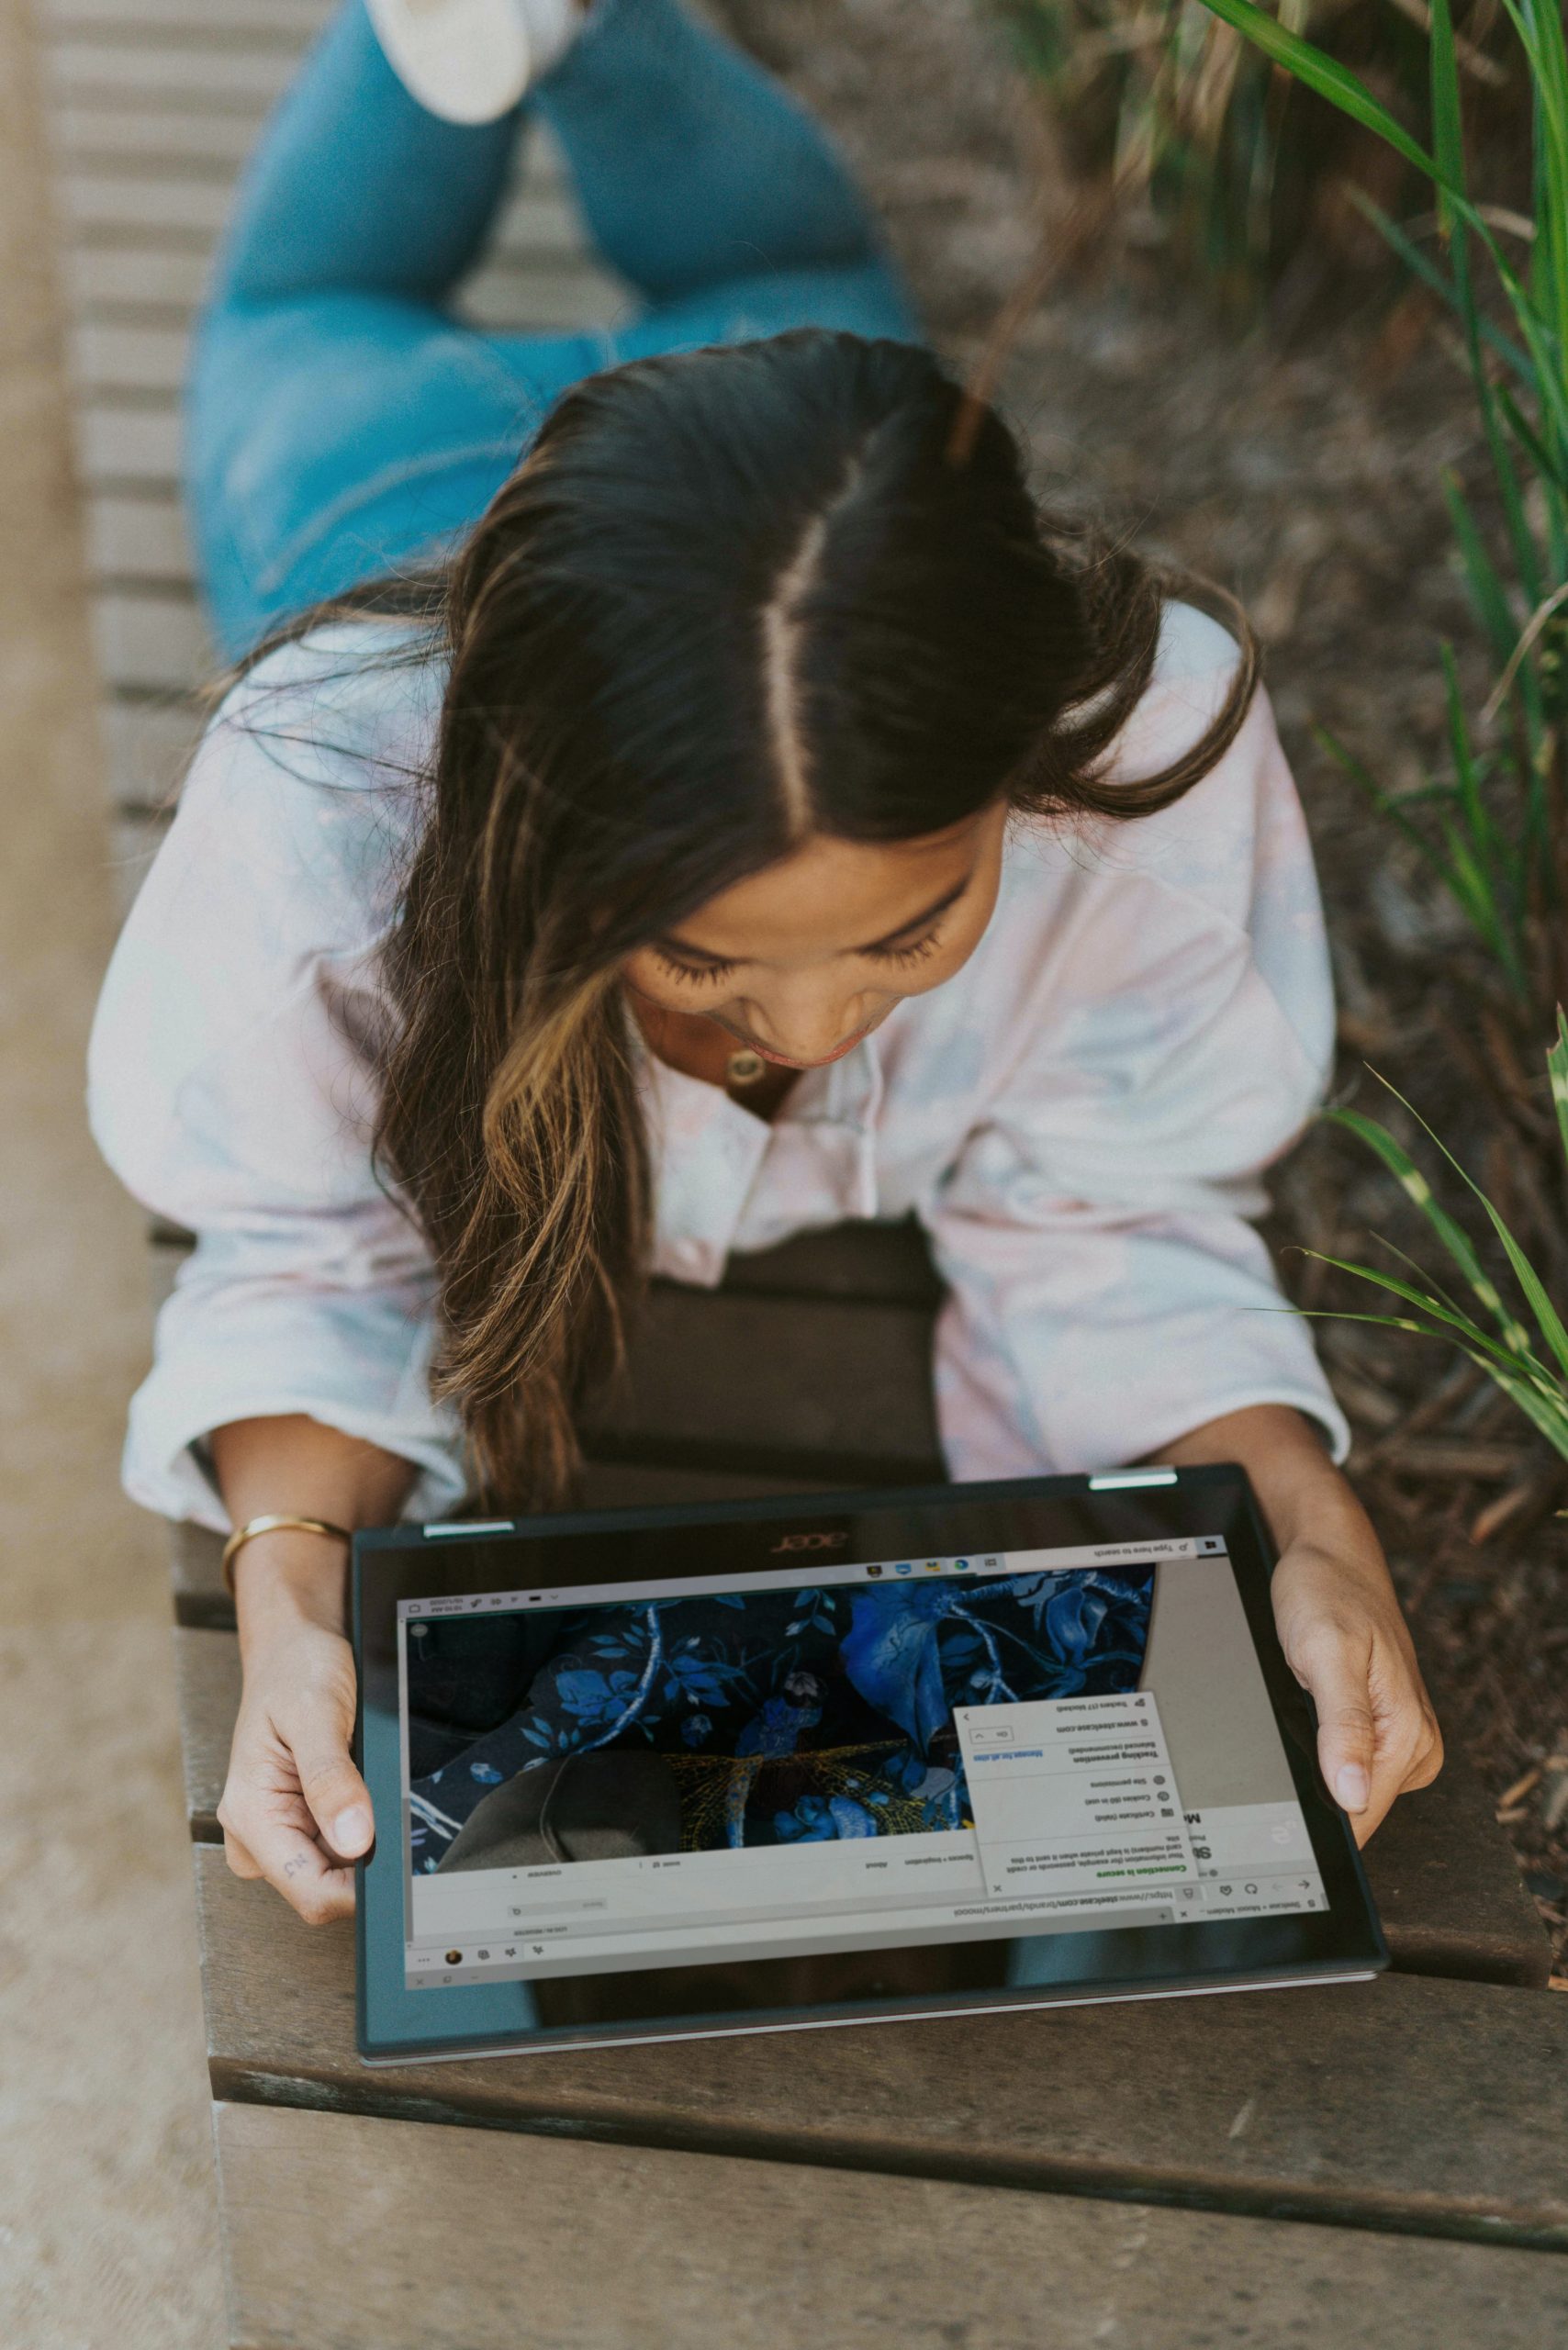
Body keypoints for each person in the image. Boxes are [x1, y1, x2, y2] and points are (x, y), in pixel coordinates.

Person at [88, 0, 1441, 1928]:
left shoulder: (1128, 759)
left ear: (1021, 769)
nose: (805, 1030)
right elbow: (309, 1250)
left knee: (776, 281)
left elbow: (1112, 1198)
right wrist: (286, 1587)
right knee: (320, 293)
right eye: (710, 966)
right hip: (365, 479)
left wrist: (1303, 1522)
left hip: (762, 481)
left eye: (909, 929)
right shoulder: (322, 796)